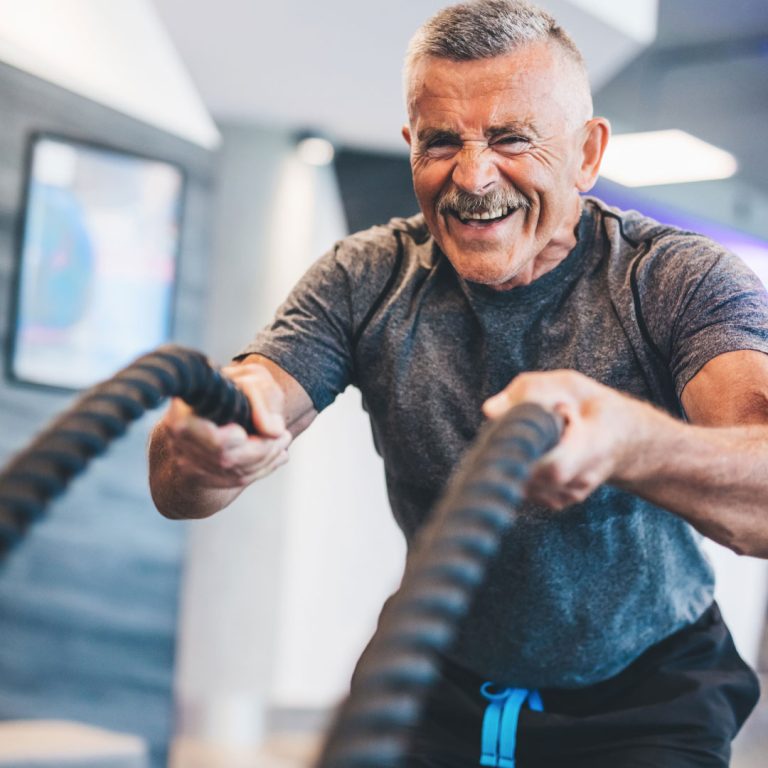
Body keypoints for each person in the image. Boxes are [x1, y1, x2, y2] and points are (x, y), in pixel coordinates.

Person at [148, 1, 768, 765]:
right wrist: (204, 439)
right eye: (442, 142)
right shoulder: (367, 276)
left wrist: (627, 440)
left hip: (646, 692)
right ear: (411, 143)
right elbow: (206, 460)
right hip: (439, 673)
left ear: (586, 152)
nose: (472, 178)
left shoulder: (675, 281)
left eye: (511, 139)